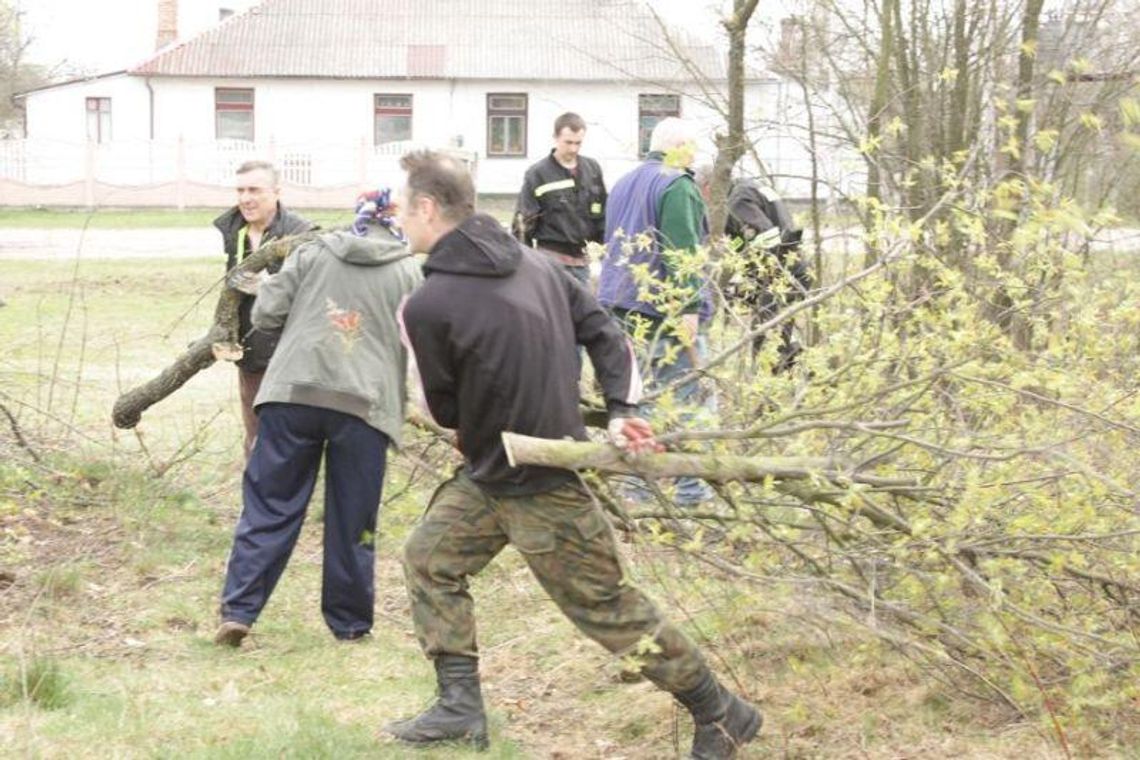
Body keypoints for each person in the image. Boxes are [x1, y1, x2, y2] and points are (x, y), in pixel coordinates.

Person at [383, 149, 760, 759]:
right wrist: (622, 408)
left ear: (428, 208)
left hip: (545, 482)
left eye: (403, 208)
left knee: (608, 610)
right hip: (488, 478)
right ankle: (459, 706)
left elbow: (444, 411)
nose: (399, 220)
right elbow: (606, 333)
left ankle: (721, 714)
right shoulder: (538, 266)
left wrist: (619, 414)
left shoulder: (427, 306)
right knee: (429, 559)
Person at [214, 187, 423, 647]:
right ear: (397, 223)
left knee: (269, 505)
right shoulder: (410, 272)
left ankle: (239, 611)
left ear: (357, 219)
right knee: (354, 518)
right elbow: (421, 342)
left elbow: (267, 314)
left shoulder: (313, 253)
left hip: (293, 395)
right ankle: (349, 625)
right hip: (364, 408)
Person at [596, 117, 716, 505]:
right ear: (678, 147)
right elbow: (681, 253)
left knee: (639, 399)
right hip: (661, 312)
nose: (695, 156)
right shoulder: (677, 184)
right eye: (692, 148)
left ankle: (636, 489)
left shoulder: (623, 183)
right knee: (689, 400)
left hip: (619, 307)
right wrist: (690, 309)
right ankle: (691, 492)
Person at [213, 160, 316, 460]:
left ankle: (286, 500)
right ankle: (255, 501)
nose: (246, 198)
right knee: (255, 437)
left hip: (291, 355)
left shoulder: (302, 233)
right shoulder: (234, 229)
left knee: (287, 440)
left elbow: (315, 296)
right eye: (240, 190)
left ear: (276, 192)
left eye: (255, 190)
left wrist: (270, 286)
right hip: (251, 353)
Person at [696, 167, 810, 372]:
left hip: (781, 276)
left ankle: (771, 397)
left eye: (701, 193)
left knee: (766, 339)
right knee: (780, 338)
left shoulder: (737, 201)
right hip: (790, 271)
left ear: (708, 187)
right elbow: (746, 242)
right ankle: (806, 381)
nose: (704, 201)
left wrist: (757, 280)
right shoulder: (746, 188)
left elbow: (766, 240)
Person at [511, 112, 607, 286]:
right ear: (555, 138)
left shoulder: (592, 170)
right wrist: (523, 265)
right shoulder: (538, 174)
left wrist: (607, 252)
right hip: (550, 262)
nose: (573, 149)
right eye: (568, 142)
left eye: (578, 143)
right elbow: (523, 225)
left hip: (581, 264)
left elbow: (602, 216)